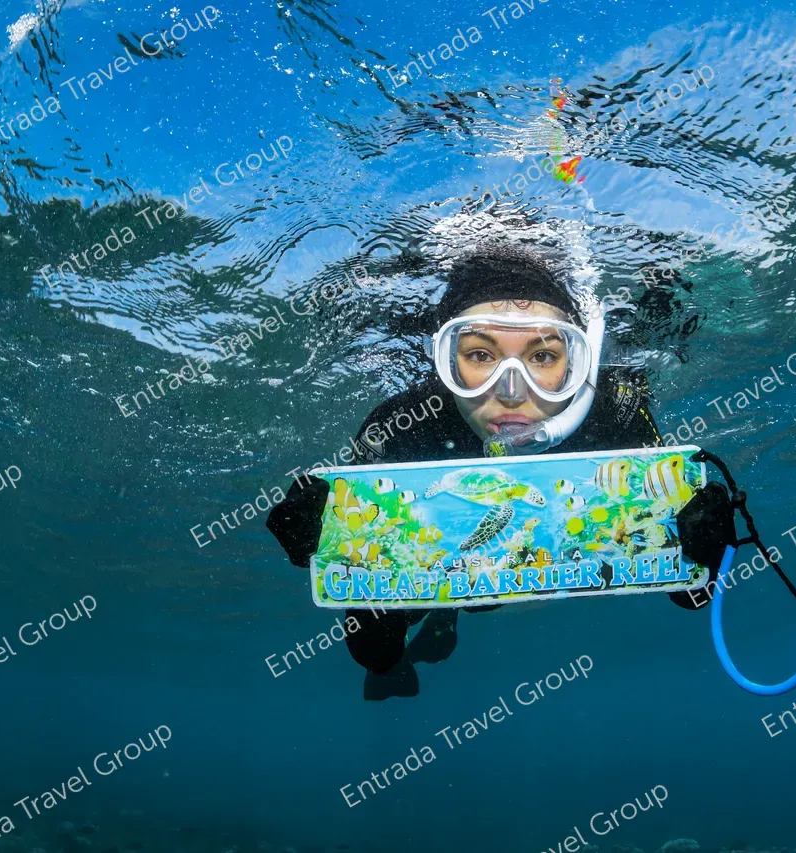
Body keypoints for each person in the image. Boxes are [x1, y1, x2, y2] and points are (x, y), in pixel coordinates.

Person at [266, 241, 738, 700]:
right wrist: (327, 541)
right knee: (383, 662)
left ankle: (446, 615)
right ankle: (444, 614)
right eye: (480, 355)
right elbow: (375, 647)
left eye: (543, 356)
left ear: (577, 361)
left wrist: (701, 543)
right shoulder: (402, 425)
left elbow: (691, 598)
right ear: (447, 360)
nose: (511, 390)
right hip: (443, 570)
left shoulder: (615, 408)